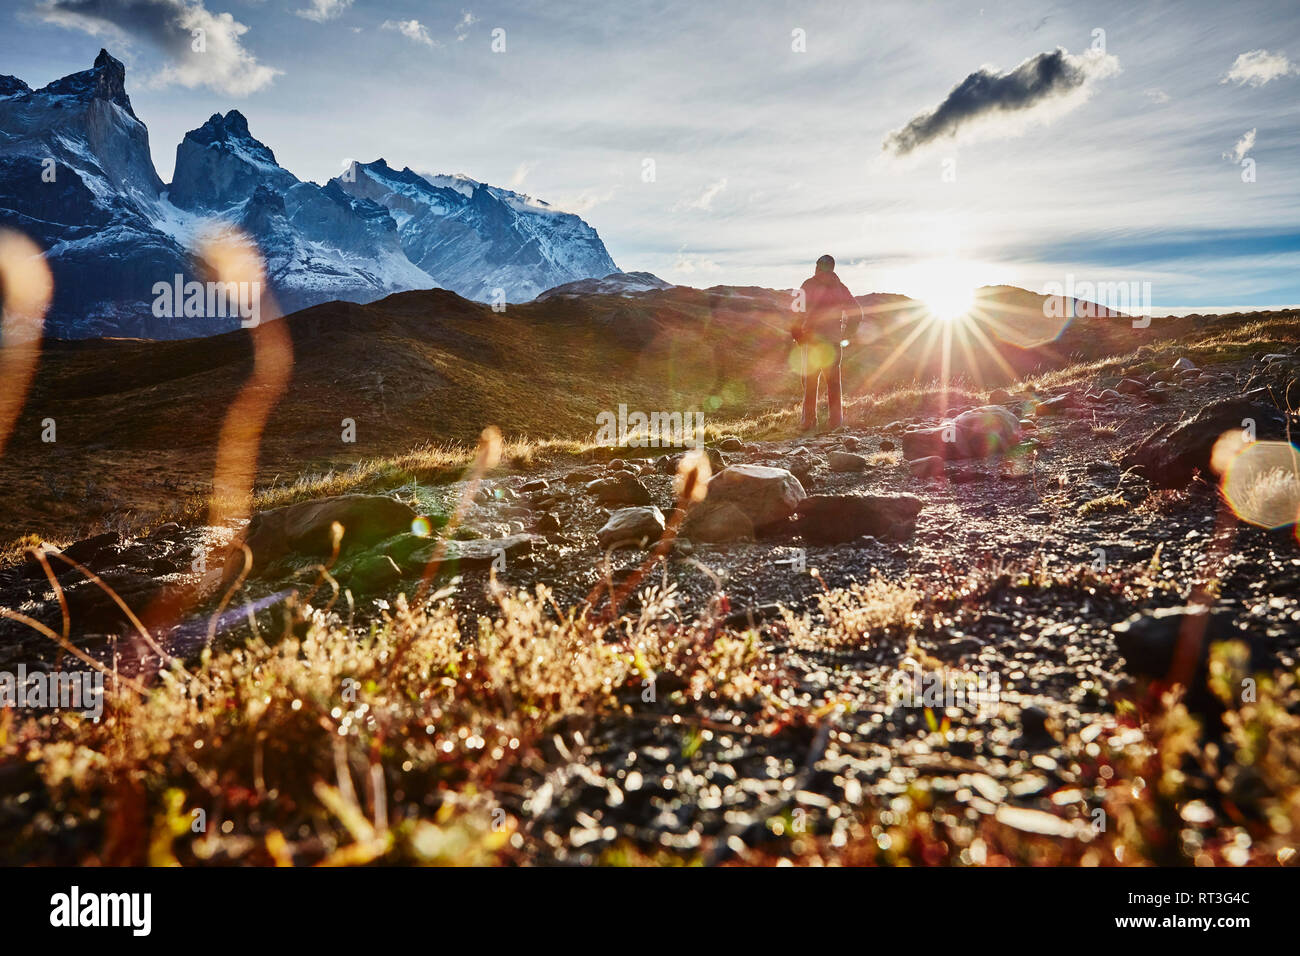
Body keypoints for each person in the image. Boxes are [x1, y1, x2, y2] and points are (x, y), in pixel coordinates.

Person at [790, 254, 863, 431]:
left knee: (809, 382)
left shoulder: (808, 284)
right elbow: (857, 313)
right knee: (833, 383)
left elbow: (796, 312)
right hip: (833, 341)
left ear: (817, 267)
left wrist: (798, 335)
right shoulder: (840, 287)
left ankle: (808, 423)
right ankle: (835, 423)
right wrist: (847, 335)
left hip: (812, 340)